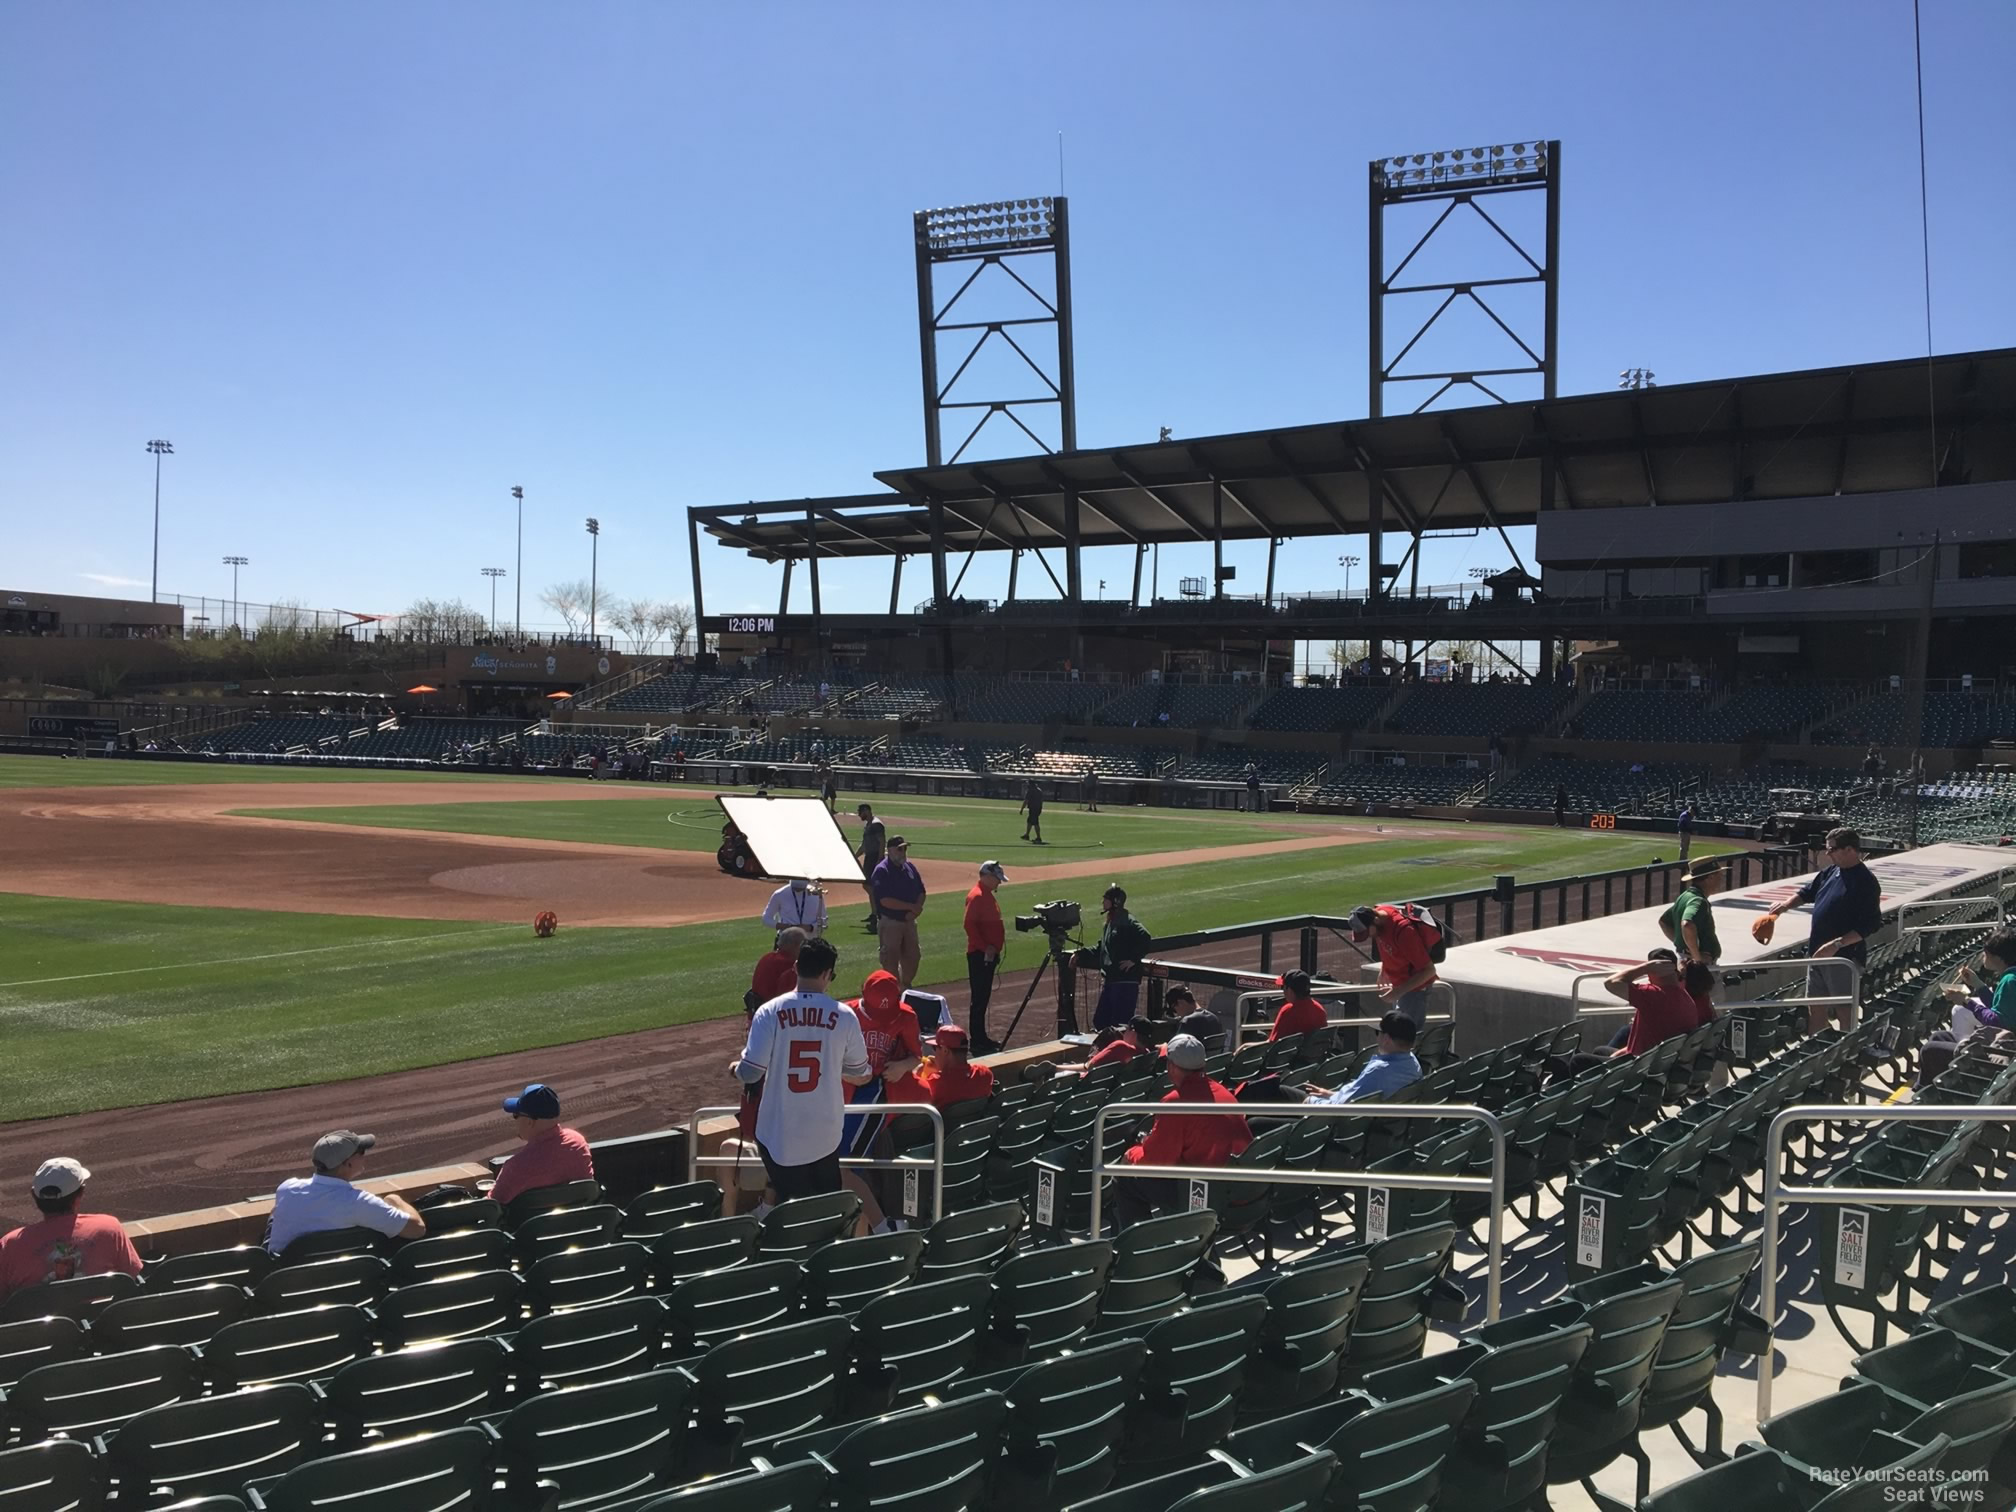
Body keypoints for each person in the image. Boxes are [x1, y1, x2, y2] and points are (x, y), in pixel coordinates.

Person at [731, 936, 874, 1203]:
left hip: (779, 1134)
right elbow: (860, 1073)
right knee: (825, 1210)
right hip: (826, 1133)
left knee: (792, 1208)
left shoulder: (769, 1011)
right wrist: (834, 1069)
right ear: (828, 974)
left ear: (796, 967)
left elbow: (751, 1072)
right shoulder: (844, 1015)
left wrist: (735, 1069)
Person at [1112, 1034, 1252, 1230]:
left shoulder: (1175, 1102)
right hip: (1240, 1191)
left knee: (1122, 1177)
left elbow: (1156, 1162)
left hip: (1208, 1195)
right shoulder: (1223, 1092)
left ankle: (1138, 1247)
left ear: (1171, 1066)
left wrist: (1131, 1154)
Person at [1753, 826, 1884, 1031]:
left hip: (1843, 957)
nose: (1827, 853)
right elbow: (1807, 892)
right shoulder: (1832, 872)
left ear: (1849, 850)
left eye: (1832, 849)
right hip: (1817, 953)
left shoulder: (1865, 881)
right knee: (1815, 1007)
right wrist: (1784, 906)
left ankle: (1845, 1053)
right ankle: (1818, 1049)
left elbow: (1871, 923)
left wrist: (1838, 944)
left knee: (1844, 1009)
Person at [0, 1158, 143, 1305]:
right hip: (104, 1325)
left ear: (34, 1196)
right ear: (80, 1194)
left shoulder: (10, 1245)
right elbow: (132, 1280)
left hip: (38, 1328)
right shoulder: (109, 1228)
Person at [267, 1131, 426, 1255]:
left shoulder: (287, 1189)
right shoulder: (358, 1202)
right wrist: (394, 1199)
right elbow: (417, 1229)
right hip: (340, 1280)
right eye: (361, 1152)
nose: (365, 1156)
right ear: (347, 1164)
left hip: (285, 1284)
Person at [488, 1084, 596, 1207]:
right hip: (580, 1224)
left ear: (530, 1122)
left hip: (533, 1226)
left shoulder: (515, 1167)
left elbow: (491, 1207)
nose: (515, 1120)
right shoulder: (578, 1143)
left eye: (516, 1115)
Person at [1346, 904, 1440, 1025]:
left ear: (1376, 920)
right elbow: (1389, 946)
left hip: (1413, 991)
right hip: (1400, 989)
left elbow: (1429, 970)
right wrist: (1384, 969)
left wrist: (1398, 992)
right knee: (1397, 1034)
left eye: (1368, 933)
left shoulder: (1404, 932)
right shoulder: (1380, 917)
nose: (1369, 936)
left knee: (1405, 1038)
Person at [1077, 884, 1153, 1029]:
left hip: (1125, 982)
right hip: (1112, 980)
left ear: (1115, 902)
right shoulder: (1110, 922)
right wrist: (1079, 954)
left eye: (1106, 899)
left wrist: (1133, 959)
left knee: (1120, 1024)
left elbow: (1145, 937)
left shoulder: (1127, 920)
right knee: (1101, 1021)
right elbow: (1101, 948)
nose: (1102, 902)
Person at [1300, 1012, 1421, 1104]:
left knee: (1284, 1092)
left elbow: (1342, 1107)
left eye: (1378, 1033)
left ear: (1386, 1039)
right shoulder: (1413, 1064)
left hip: (1329, 1119)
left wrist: (1311, 1101)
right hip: (1369, 1123)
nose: (1377, 1038)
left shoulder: (1379, 1071)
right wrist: (1329, 1094)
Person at [963, 860, 1010, 1053]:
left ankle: (981, 1037)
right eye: (997, 879)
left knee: (983, 997)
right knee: (979, 998)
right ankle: (977, 1039)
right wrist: (985, 948)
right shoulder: (977, 896)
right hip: (979, 955)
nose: (998, 883)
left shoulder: (986, 895)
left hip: (987, 955)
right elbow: (969, 925)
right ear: (988, 876)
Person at [870, 836, 926, 988]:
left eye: (905, 849)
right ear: (890, 850)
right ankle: (893, 989)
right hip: (890, 922)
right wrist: (910, 907)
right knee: (890, 959)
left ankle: (905, 985)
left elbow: (921, 891)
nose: (903, 852)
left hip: (909, 922)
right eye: (899, 849)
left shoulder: (910, 868)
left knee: (914, 956)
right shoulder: (882, 870)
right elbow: (884, 900)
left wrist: (916, 910)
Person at [1943, 929, 2016, 1038]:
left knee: (1933, 1045)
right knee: (1960, 1010)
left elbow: (1996, 1023)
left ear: (1998, 958)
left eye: (1986, 953)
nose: (1983, 956)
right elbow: (2000, 1007)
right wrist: (1978, 984)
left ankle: (1965, 1052)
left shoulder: (2010, 981)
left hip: (2009, 1045)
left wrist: (1966, 1001)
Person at [917, 1023, 996, 1109]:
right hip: (976, 1121)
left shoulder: (935, 1083)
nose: (934, 1054)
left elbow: (915, 1098)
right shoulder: (985, 1074)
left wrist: (919, 1072)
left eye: (935, 1048)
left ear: (945, 1051)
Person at [1660, 864, 1723, 968]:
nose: (1721, 880)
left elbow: (1664, 922)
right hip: (1700, 968)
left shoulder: (1685, 896)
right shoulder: (1698, 901)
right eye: (1719, 876)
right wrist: (1697, 958)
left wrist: (1683, 945)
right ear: (1710, 877)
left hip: (1688, 962)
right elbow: (1687, 924)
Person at [750, 927, 807, 1012]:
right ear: (795, 945)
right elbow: (791, 999)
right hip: (773, 1016)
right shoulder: (789, 964)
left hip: (757, 1013)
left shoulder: (766, 958)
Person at [1267, 969, 1330, 1042]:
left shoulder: (1288, 1011)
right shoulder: (1319, 1009)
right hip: (1311, 1052)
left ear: (1290, 990)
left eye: (1283, 987)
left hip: (1290, 1052)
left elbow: (1272, 1043)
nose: (1283, 991)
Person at [855, 803, 887, 934]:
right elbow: (864, 845)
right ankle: (874, 912)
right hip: (870, 857)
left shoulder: (876, 824)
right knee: (866, 885)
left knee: (869, 886)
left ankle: (877, 912)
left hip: (874, 858)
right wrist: (854, 856)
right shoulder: (868, 825)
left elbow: (882, 841)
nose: (859, 815)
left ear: (866, 811)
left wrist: (879, 860)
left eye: (860, 812)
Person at [1165, 985, 1225, 1053]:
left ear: (1181, 1002)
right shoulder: (1214, 1019)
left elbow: (1174, 1051)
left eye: (1174, 1010)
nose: (1177, 1014)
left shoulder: (1188, 1021)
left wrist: (1164, 1047)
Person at [762, 878, 827, 940]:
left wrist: (810, 927)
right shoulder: (779, 894)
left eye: (800, 889)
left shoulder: (816, 895)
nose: (797, 891)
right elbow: (766, 918)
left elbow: (823, 920)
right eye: (795, 889)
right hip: (786, 941)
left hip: (810, 941)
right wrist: (786, 927)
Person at [1088, 1016, 1153, 1069]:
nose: (1124, 1033)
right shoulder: (1147, 1053)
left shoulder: (1121, 1047)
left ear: (1133, 1033)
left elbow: (1089, 1066)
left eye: (1126, 1030)